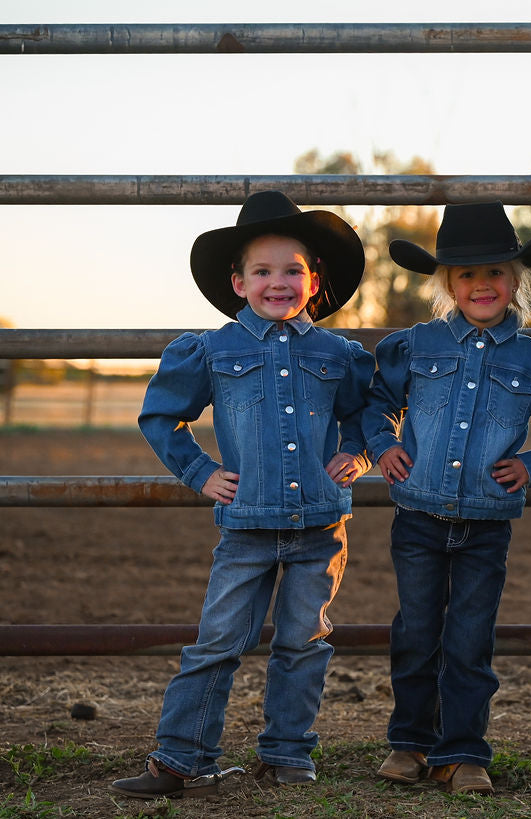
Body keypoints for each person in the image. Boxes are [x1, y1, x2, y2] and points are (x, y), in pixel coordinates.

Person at [111, 190, 375, 799]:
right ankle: (182, 759)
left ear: (314, 282)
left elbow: (372, 413)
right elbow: (161, 417)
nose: (277, 282)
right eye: (262, 271)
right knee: (217, 643)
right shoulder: (211, 350)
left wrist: (359, 453)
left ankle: (287, 756)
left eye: (292, 271)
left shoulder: (339, 356)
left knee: (303, 644)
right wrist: (200, 472)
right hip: (246, 526)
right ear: (238, 282)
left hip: (319, 528)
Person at [364, 202, 531, 795]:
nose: (481, 285)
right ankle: (410, 743)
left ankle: (464, 752)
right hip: (417, 516)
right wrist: (382, 445)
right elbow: (374, 401)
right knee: (416, 632)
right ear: (448, 285)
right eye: (466, 275)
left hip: (487, 524)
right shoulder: (415, 346)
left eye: (494, 272)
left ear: (516, 281)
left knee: (469, 640)